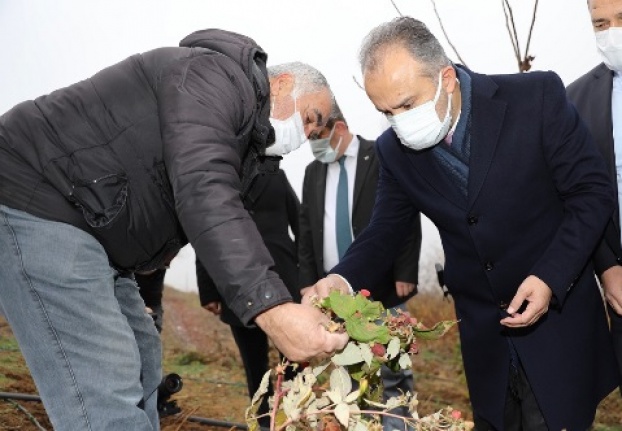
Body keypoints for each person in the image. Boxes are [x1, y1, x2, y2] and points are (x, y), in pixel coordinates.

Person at [0, 28, 347, 430]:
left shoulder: (250, 156)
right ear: (282, 83)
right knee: (105, 379)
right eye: (309, 119)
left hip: (96, 233)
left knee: (143, 351)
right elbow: (204, 191)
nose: (305, 137)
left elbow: (181, 221)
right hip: (40, 199)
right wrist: (272, 309)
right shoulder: (213, 76)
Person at [303, 16, 619, 431]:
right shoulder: (394, 151)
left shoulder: (534, 97)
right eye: (385, 112)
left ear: (446, 78)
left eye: (406, 105)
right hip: (485, 339)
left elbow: (590, 193)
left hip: (559, 326)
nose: (398, 121)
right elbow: (383, 232)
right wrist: (339, 280)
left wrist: (549, 276)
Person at [299, 98, 422, 429]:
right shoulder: (312, 173)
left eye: (316, 135)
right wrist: (308, 281)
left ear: (339, 128)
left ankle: (397, 426)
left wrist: (406, 271)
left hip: (381, 285)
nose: (312, 144)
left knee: (392, 370)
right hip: (333, 294)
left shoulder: (380, 157)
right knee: (348, 372)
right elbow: (306, 229)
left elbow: (406, 217)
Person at [196, 166, 300, 427]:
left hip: (284, 277)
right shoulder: (219, 177)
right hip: (237, 281)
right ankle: (263, 420)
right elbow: (205, 234)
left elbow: (301, 222)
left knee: (293, 357)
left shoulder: (277, 175)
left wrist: (308, 275)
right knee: (254, 364)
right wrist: (209, 290)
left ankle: (293, 415)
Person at [566, 0, 622, 390]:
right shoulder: (576, 99)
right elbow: (577, 193)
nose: (612, 31)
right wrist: (607, 266)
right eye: (601, 22)